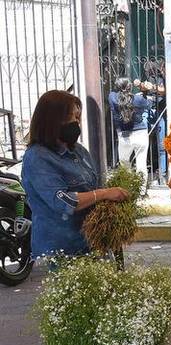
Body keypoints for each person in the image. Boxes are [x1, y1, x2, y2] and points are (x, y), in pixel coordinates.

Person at [21, 90, 130, 258]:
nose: (77, 123)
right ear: (54, 121)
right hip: (63, 249)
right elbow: (62, 201)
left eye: (78, 117)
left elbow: (93, 186)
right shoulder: (37, 158)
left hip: (91, 242)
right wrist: (104, 194)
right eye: (73, 117)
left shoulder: (79, 151)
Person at [108, 77, 151, 182]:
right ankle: (141, 191)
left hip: (124, 136)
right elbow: (149, 104)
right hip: (141, 134)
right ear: (130, 87)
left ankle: (128, 190)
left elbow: (117, 95)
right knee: (141, 164)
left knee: (124, 164)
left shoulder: (112, 97)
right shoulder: (138, 99)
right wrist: (145, 91)